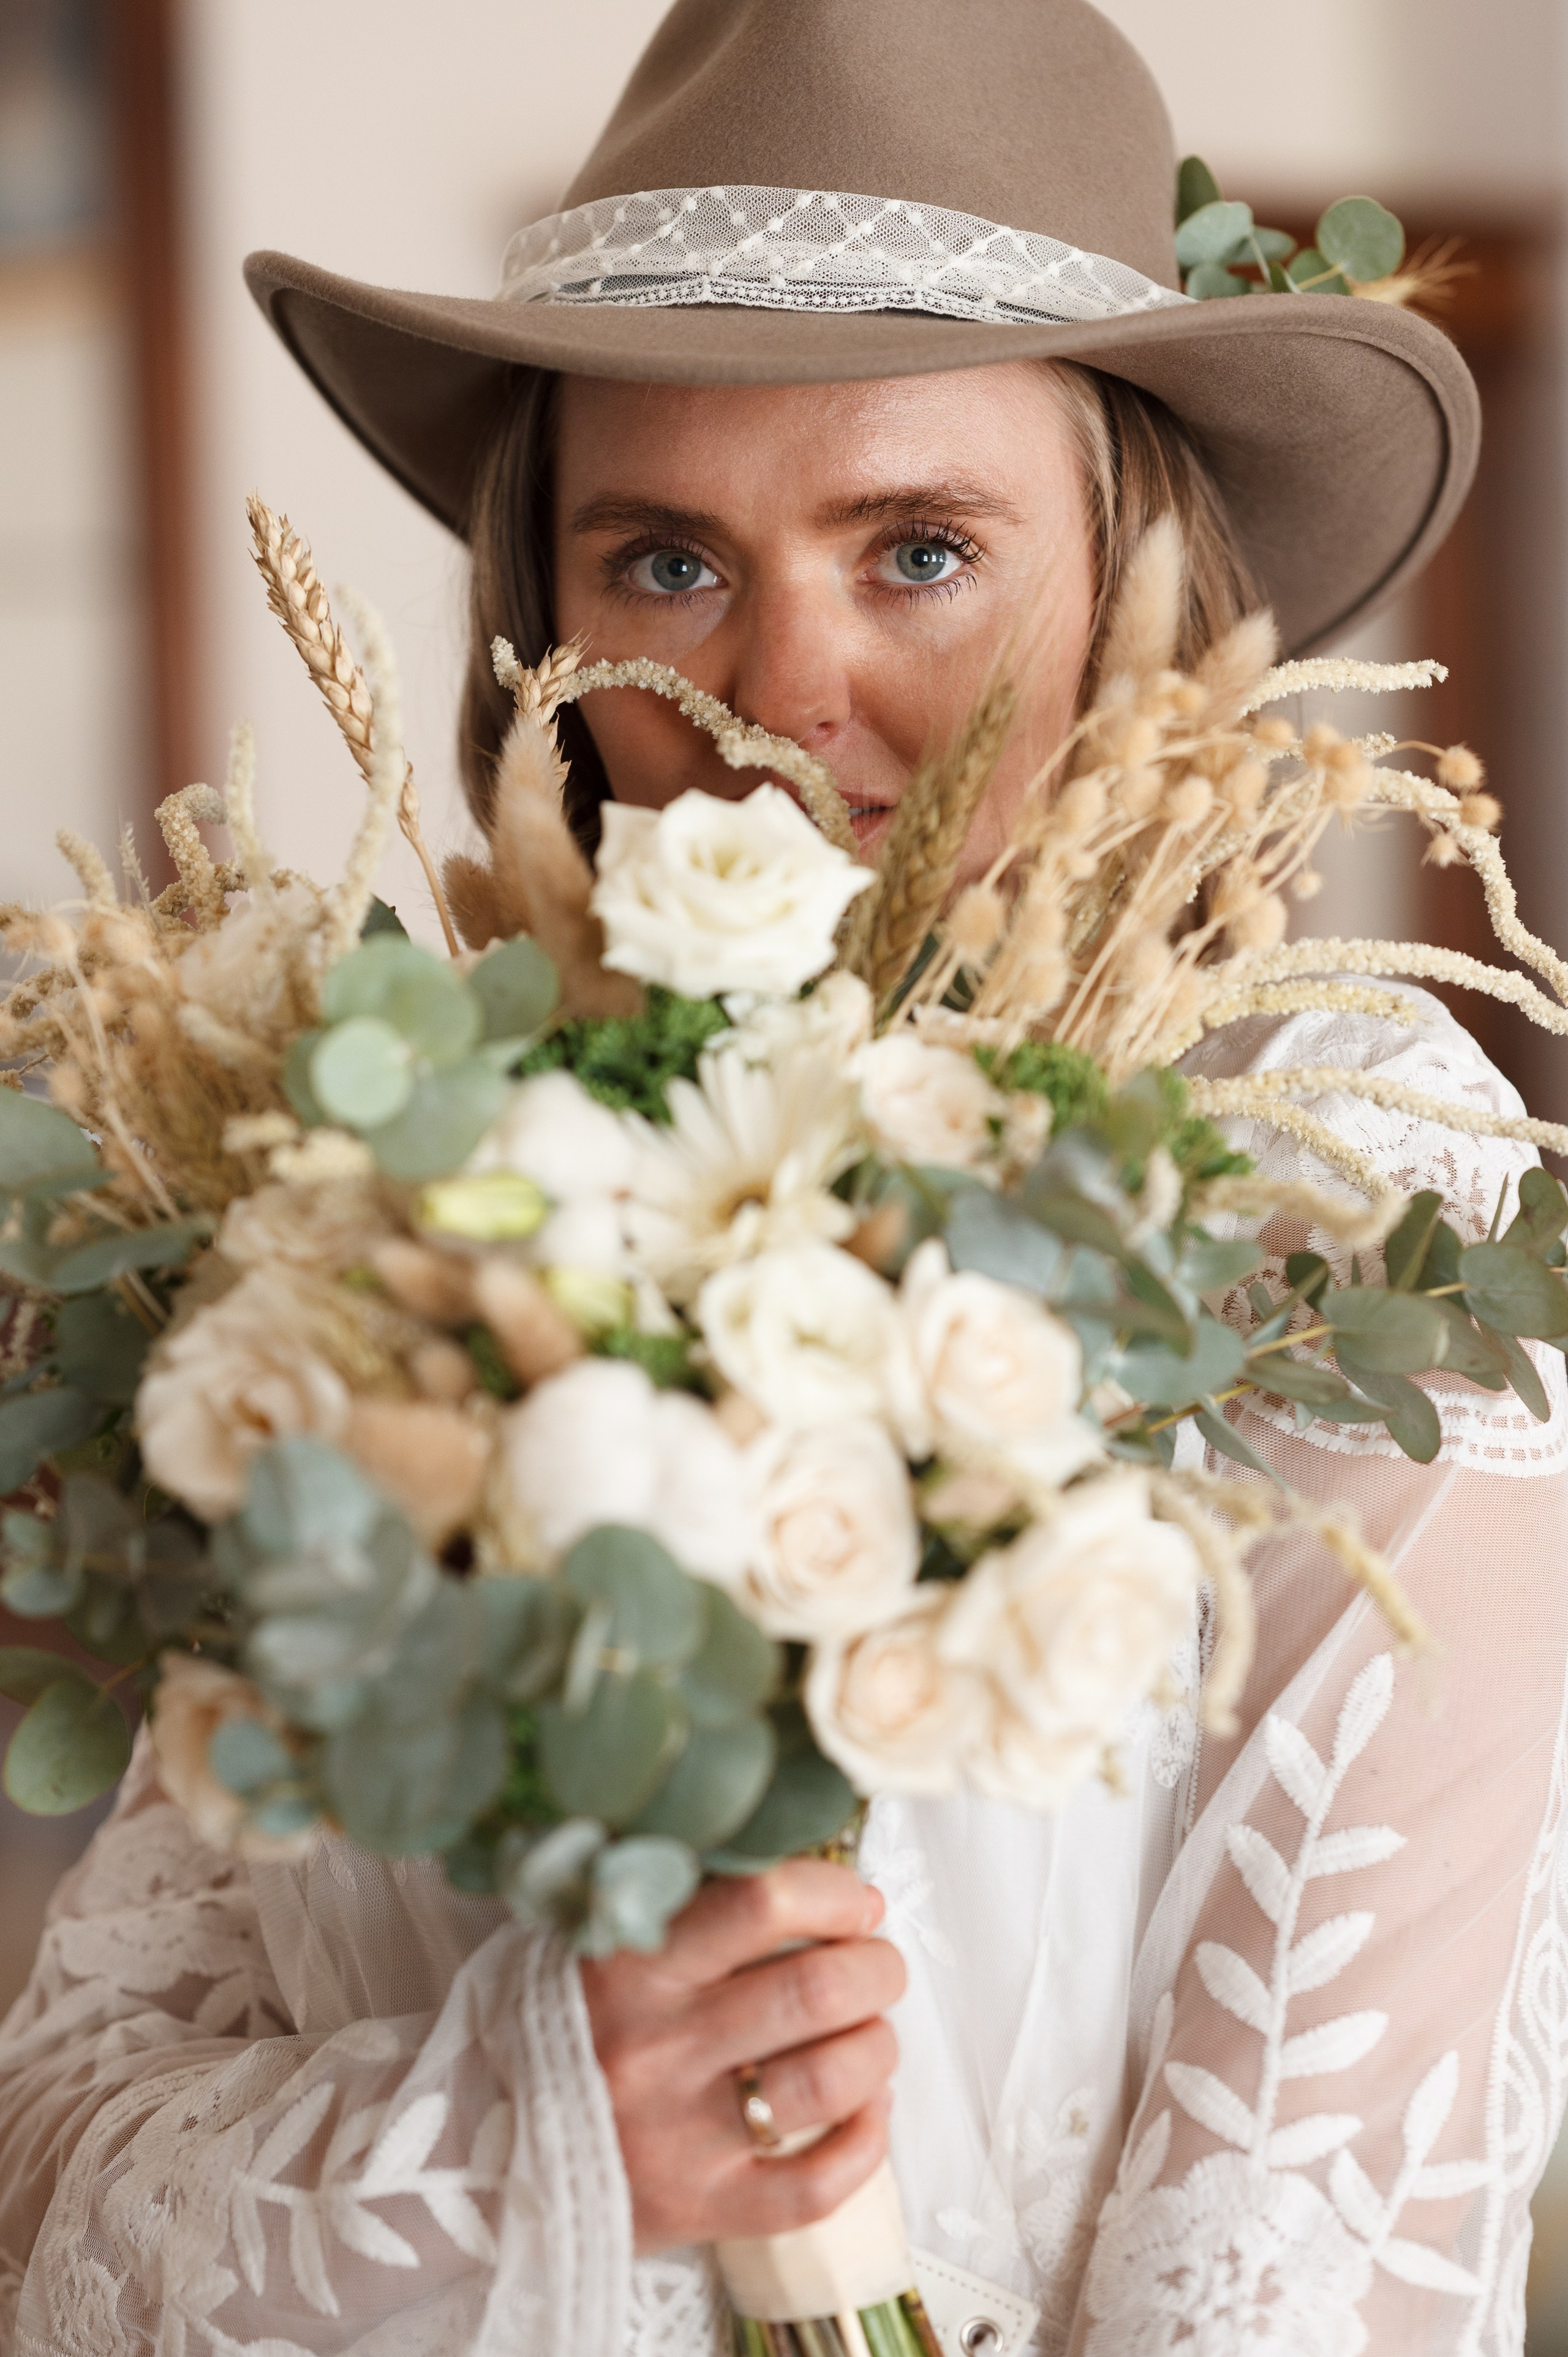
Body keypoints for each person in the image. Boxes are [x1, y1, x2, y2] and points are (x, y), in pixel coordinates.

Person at [1, 4, 1562, 2353]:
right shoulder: (372, 1205)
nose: (784, 692)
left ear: (1135, 586)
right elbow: (59, 2158)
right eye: (664, 561)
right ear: (546, 620)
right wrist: (529, 2130)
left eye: (919, 548)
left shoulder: (1348, 1206)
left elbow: (1300, 2279)